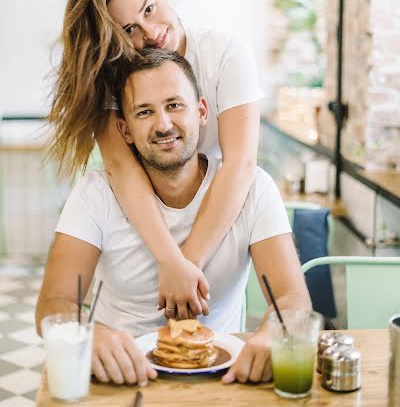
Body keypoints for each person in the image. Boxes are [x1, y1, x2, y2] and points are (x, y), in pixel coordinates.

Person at [36, 49, 311, 386]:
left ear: (201, 111)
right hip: (119, 380)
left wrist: (276, 332)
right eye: (145, 112)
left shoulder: (255, 189)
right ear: (124, 129)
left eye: (174, 105)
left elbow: (294, 300)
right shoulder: (95, 193)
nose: (163, 124)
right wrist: (87, 333)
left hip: (222, 380)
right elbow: (52, 304)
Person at [47, 0, 263, 320]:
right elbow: (120, 168)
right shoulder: (114, 75)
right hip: (140, 224)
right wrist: (168, 259)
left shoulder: (224, 53)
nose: (149, 33)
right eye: (128, 29)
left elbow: (239, 163)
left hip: (214, 212)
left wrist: (186, 266)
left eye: (150, 8)